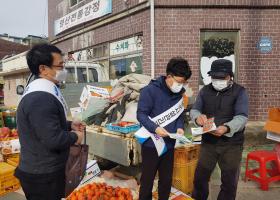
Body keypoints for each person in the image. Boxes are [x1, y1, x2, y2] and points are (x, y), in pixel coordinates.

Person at [15, 44, 85, 200]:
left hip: (41, 169)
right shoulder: (40, 98)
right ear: (43, 69)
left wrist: (69, 125)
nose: (64, 70)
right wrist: (75, 137)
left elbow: (45, 124)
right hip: (43, 176)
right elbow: (53, 139)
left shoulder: (40, 89)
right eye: (60, 66)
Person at [191, 59, 248, 200]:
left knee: (229, 183)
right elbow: (194, 110)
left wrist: (227, 128)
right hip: (208, 143)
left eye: (221, 78)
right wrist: (198, 118)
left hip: (231, 144)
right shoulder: (205, 90)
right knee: (200, 178)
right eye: (214, 77)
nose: (217, 80)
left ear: (230, 77)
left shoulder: (240, 92)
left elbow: (242, 117)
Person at [136, 57, 192, 200]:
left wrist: (180, 127)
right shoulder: (150, 91)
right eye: (179, 82)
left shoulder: (179, 93)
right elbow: (141, 115)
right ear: (169, 76)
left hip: (169, 144)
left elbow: (180, 114)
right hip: (151, 144)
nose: (181, 85)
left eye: (184, 82)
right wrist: (155, 128)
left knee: (166, 180)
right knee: (147, 181)